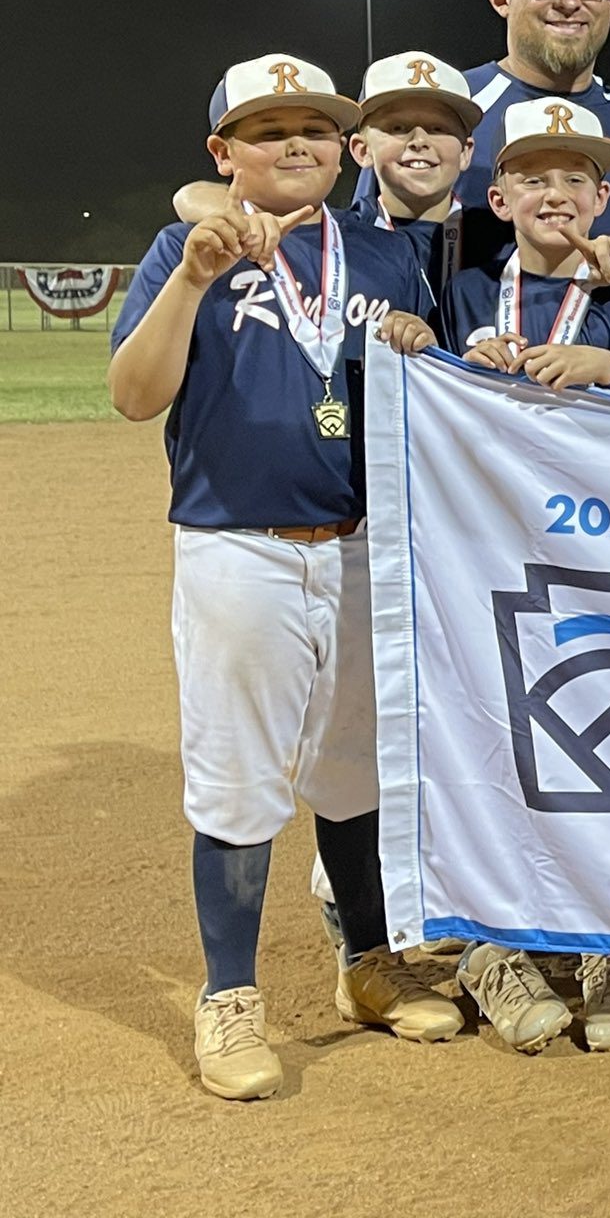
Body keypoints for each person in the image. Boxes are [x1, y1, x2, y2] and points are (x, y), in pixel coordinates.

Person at [109, 54, 462, 1099]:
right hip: (238, 548)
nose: (295, 143)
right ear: (224, 154)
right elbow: (134, 397)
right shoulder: (185, 245)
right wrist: (192, 275)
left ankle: (366, 964)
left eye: (314, 127)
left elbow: (432, 379)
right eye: (267, 131)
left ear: (344, 147)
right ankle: (230, 1000)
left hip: (362, 547)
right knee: (239, 779)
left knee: (353, 772)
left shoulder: (383, 252)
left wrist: (418, 338)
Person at [384, 97, 610, 1054]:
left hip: (606, 558)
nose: (556, 193)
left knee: (605, 747)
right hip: (484, 559)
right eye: (534, 178)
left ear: (604, 196)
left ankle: (609, 944)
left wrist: (606, 366)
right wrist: (449, 356)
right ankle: (490, 951)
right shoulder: (459, 288)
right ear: (496, 196)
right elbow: (406, 358)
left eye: (576, 179)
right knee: (486, 741)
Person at [350, 0, 610, 286]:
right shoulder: (449, 105)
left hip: (608, 342)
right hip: (458, 338)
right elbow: (365, 239)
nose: (568, 1)